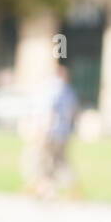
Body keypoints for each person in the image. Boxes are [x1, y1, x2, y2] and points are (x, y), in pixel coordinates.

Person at [33, 61, 81, 200]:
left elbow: (49, 111)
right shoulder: (69, 91)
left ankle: (45, 191)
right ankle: (72, 189)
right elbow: (74, 112)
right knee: (61, 163)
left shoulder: (53, 89)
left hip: (51, 132)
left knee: (44, 162)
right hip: (63, 133)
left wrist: (43, 131)